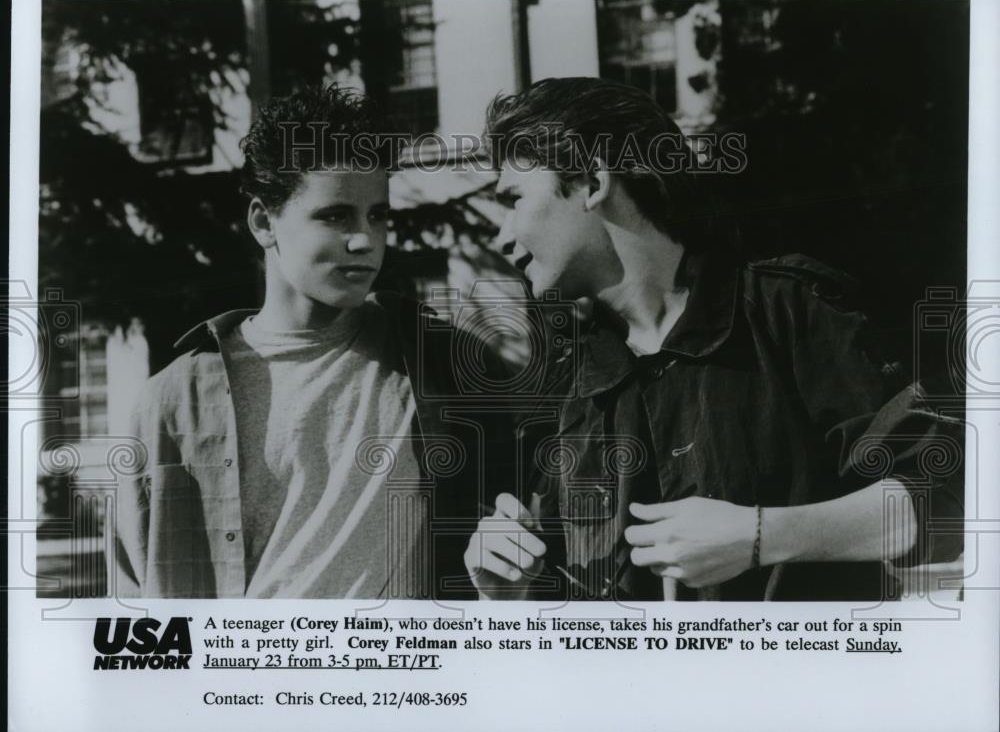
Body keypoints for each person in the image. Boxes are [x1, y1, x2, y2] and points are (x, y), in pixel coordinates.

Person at [464, 77, 964, 601]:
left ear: (592, 182)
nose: (500, 235)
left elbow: (946, 494)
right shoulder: (566, 382)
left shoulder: (788, 313)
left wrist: (760, 537)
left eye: (513, 199)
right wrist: (503, 589)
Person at [111, 85, 511, 599]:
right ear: (263, 221)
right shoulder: (172, 401)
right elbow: (131, 596)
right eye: (335, 215)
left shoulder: (442, 363)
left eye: (378, 215)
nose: (365, 239)